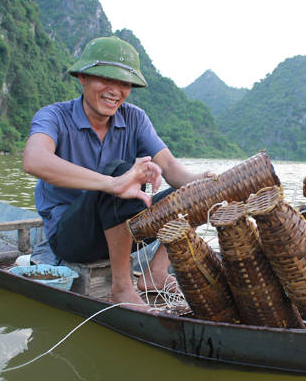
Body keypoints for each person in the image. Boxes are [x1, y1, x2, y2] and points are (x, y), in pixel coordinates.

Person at [22, 36, 208, 309]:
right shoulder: (54, 116)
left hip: (127, 234)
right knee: (123, 172)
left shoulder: (134, 118)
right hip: (72, 239)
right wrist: (113, 182)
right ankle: (121, 288)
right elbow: (34, 160)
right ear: (83, 77)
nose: (115, 90)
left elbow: (169, 167)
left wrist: (203, 183)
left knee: (193, 194)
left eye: (124, 83)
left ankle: (155, 274)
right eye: (104, 79)